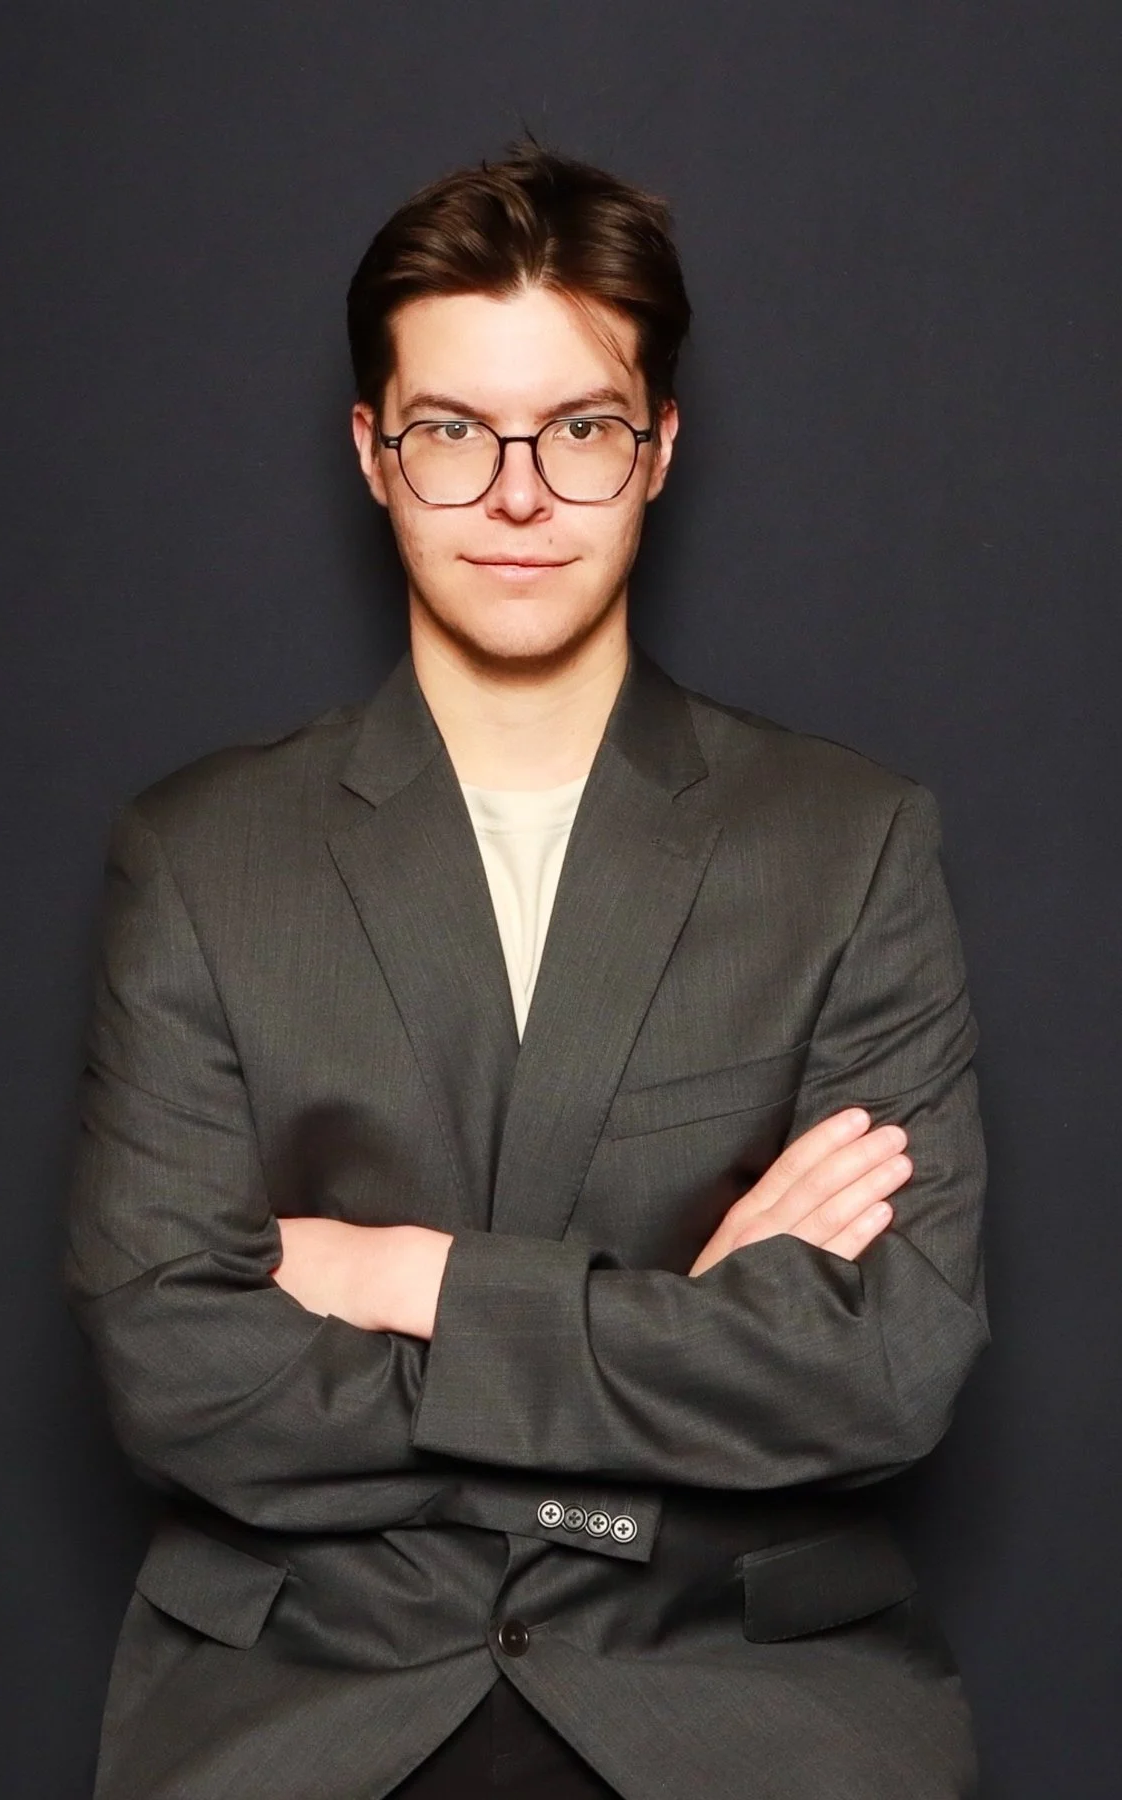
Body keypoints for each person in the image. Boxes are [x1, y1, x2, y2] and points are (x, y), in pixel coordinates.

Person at [64, 139, 989, 1800]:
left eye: (578, 429)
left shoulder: (850, 845)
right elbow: (177, 1382)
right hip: (308, 1710)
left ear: (660, 447)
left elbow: (882, 1372)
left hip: (737, 1705)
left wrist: (411, 1274)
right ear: (371, 452)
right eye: (451, 431)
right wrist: (679, 1328)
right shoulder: (197, 858)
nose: (516, 494)